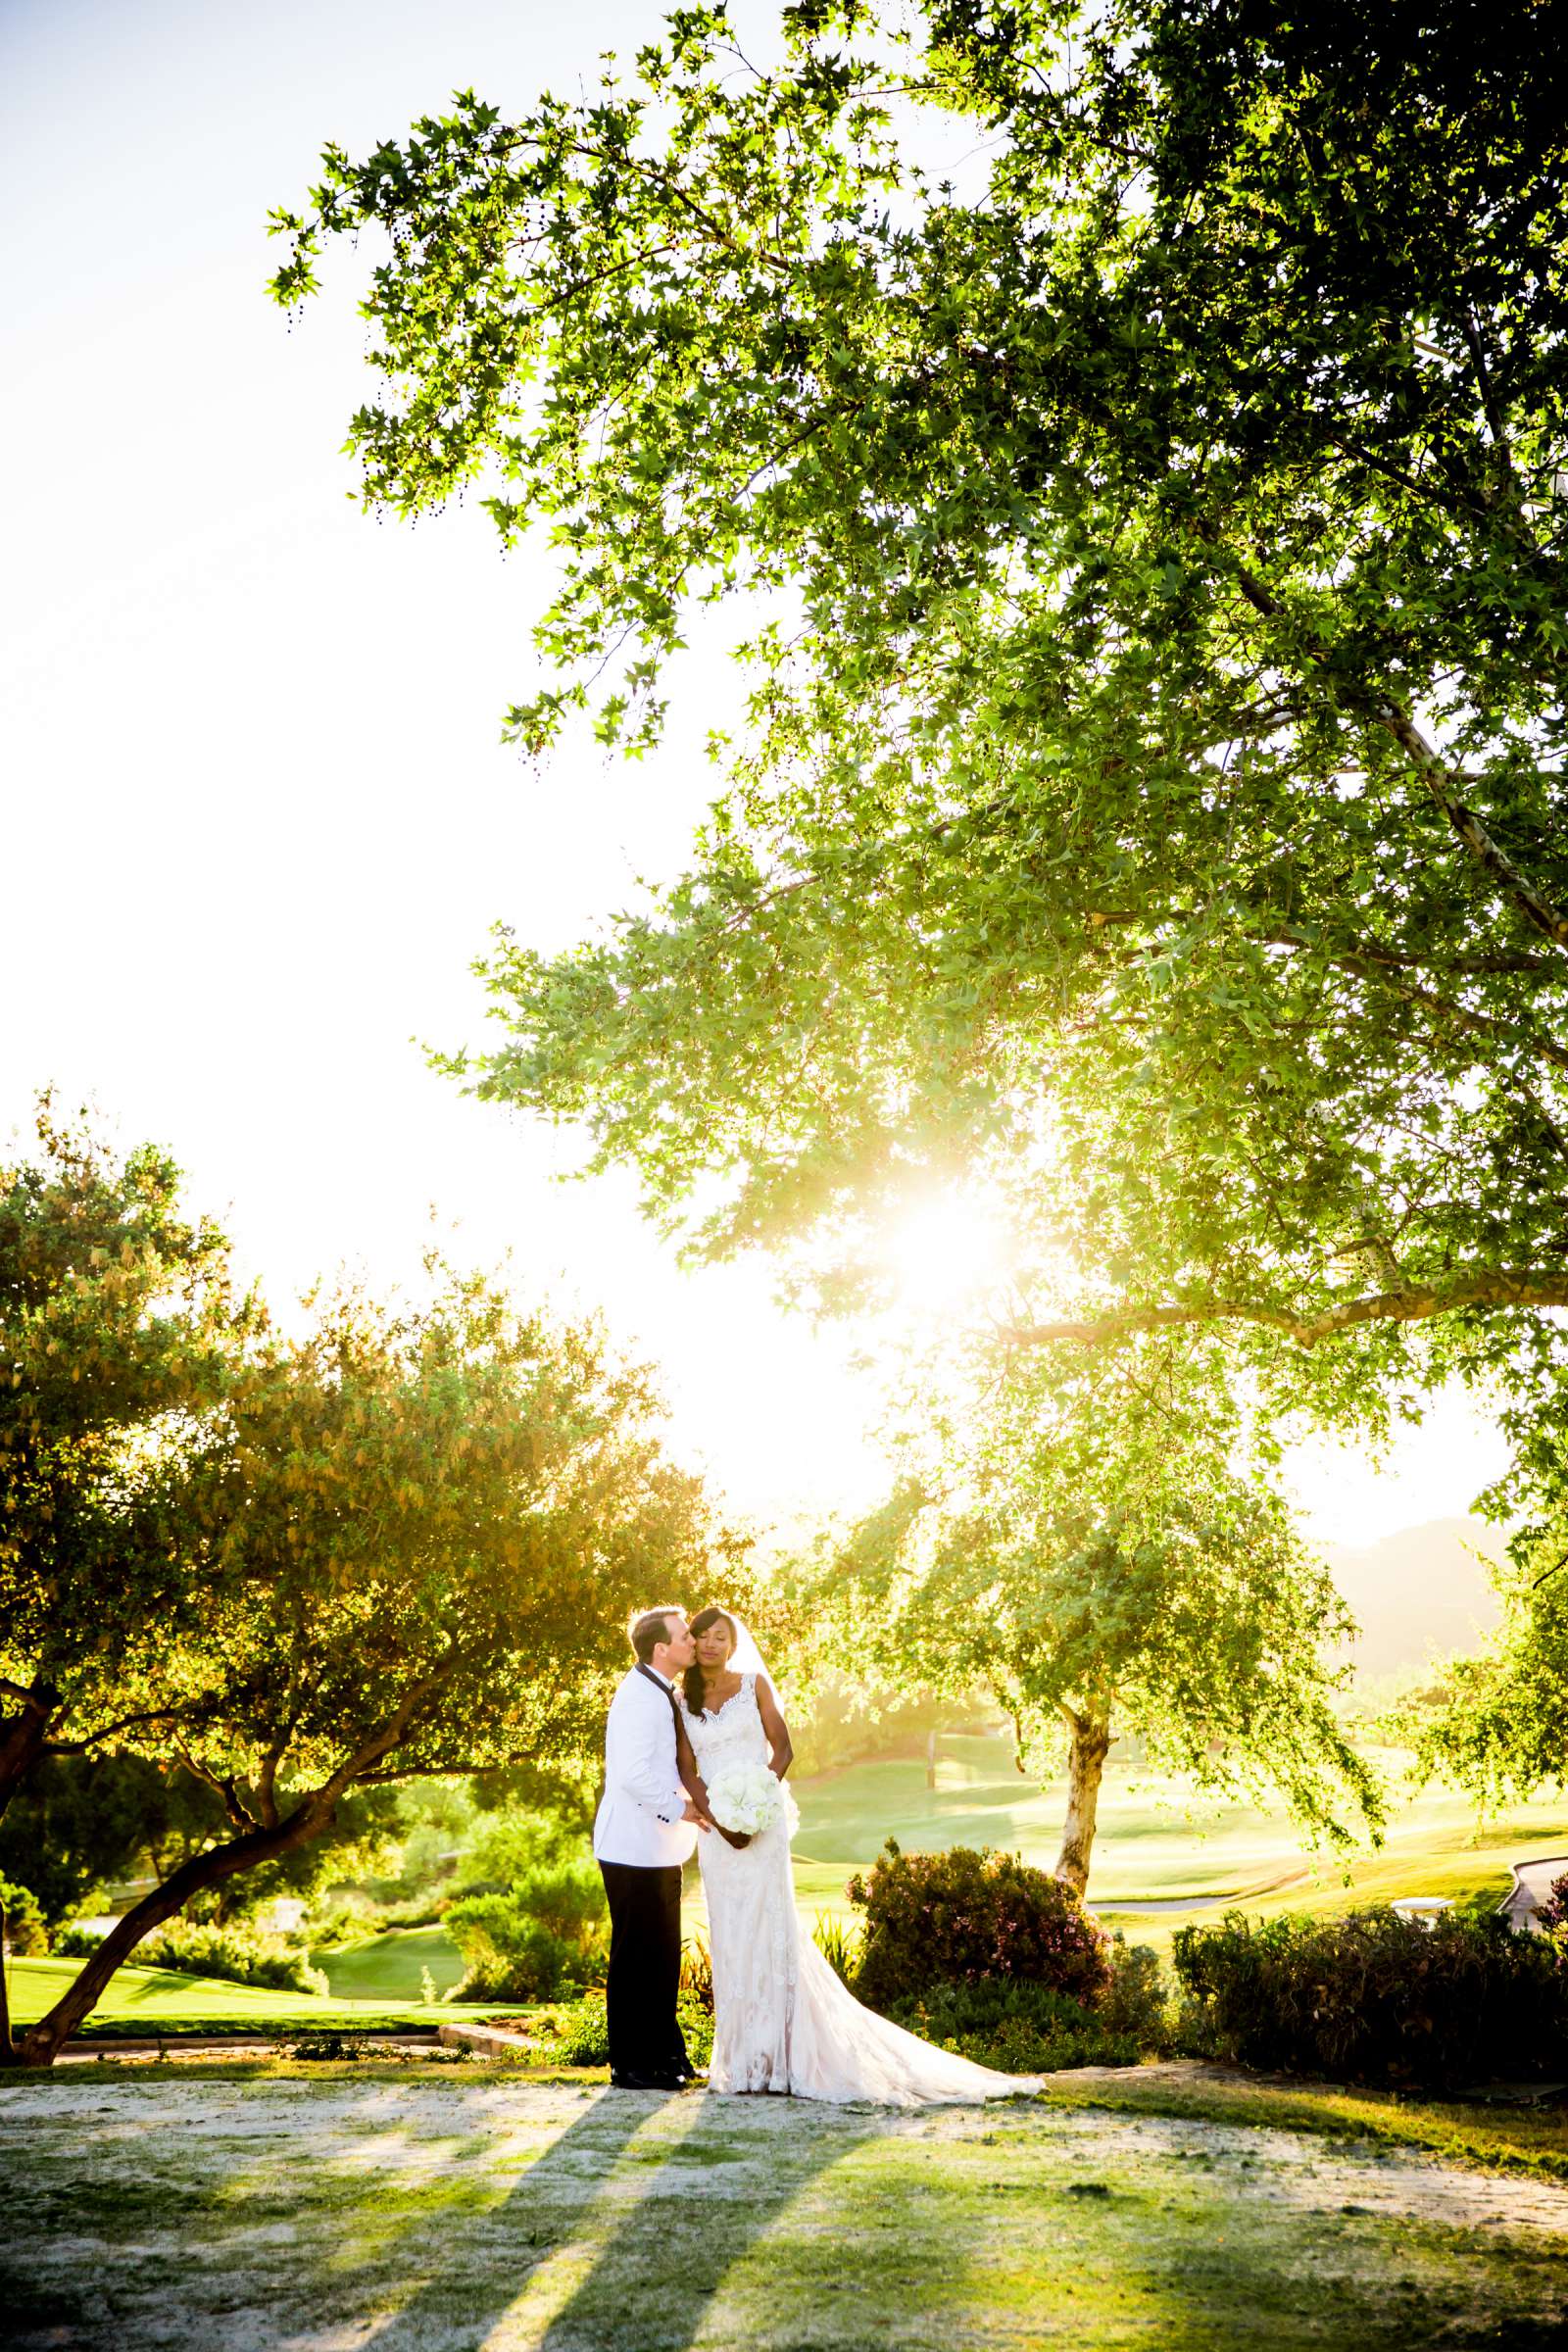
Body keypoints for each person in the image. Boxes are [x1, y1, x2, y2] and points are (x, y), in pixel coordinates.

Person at [681, 1605, 1043, 2107]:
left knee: (771, 1929)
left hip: (762, 1821)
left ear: (733, 1644)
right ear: (692, 1642)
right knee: (732, 1935)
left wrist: (760, 1802)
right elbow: (687, 1769)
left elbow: (782, 1748)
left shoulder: (753, 1685)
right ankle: (745, 2062)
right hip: (716, 1831)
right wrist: (720, 1818)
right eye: (704, 1636)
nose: (712, 1644)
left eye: (722, 1636)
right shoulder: (681, 1699)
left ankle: (785, 2059)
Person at [593, 1605, 711, 2090]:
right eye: (685, 1636)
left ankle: (666, 2056)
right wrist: (680, 1808)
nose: (692, 1642)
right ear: (661, 1648)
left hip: (658, 1849)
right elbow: (633, 1775)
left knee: (662, 1956)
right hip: (632, 1848)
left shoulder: (662, 1692)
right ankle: (630, 2064)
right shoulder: (639, 1697)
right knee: (635, 1957)